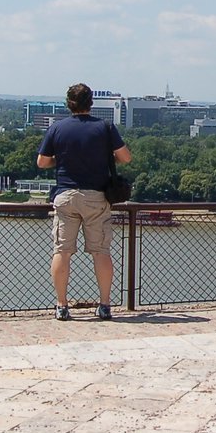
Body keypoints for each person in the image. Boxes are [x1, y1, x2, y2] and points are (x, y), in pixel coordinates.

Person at [36, 82, 132, 321]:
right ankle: (105, 305)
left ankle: (61, 305)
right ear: (91, 103)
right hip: (96, 197)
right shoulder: (105, 127)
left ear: (69, 103)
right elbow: (126, 158)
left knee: (62, 251)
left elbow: (42, 162)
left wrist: (63, 160)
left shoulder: (57, 128)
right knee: (101, 252)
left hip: (66, 196)